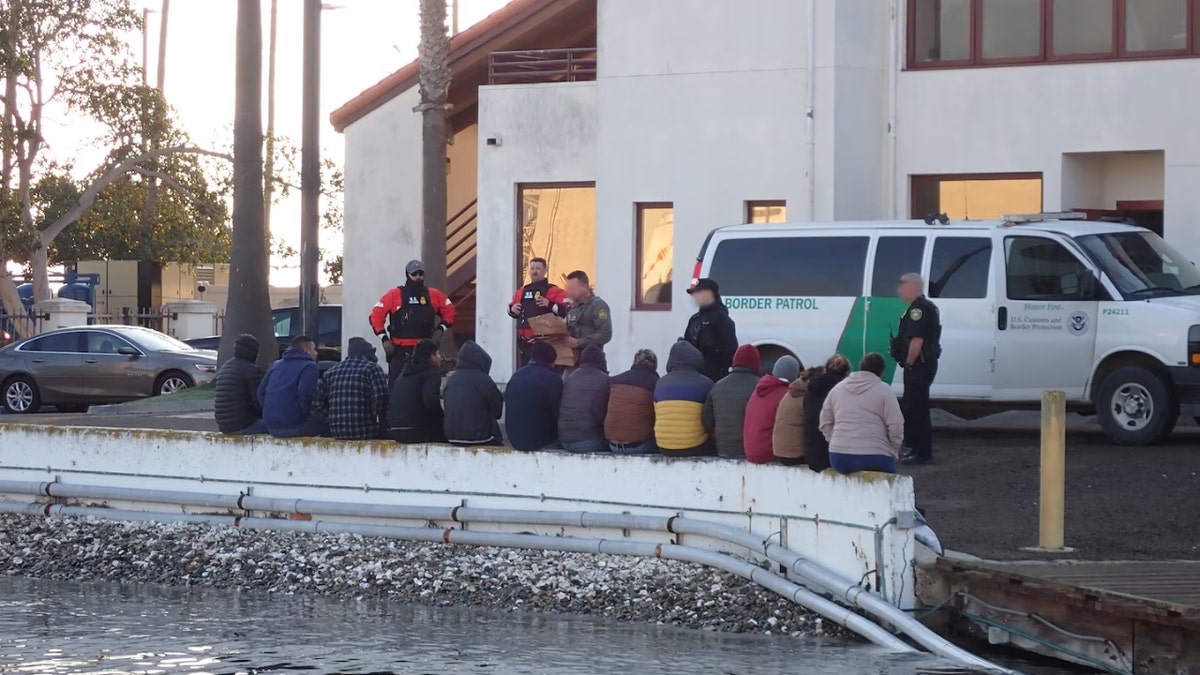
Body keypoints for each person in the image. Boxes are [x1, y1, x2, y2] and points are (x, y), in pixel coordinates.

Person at [370, 260, 457, 383]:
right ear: (407, 275)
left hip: (426, 351)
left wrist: (440, 329)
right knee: (396, 388)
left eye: (420, 274)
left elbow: (450, 311)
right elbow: (375, 315)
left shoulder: (433, 294)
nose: (418, 277)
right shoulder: (395, 294)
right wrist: (384, 338)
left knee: (427, 388)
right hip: (400, 350)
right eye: (414, 274)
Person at [819, 353, 904, 475]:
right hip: (875, 455)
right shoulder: (885, 391)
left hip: (839, 456)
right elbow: (896, 425)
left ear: (860, 366)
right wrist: (893, 449)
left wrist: (835, 440)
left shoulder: (837, 389)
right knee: (890, 485)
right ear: (882, 371)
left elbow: (824, 422)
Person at [892, 272, 941, 466]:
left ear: (911, 286)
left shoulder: (918, 309)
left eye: (901, 286)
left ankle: (921, 452)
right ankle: (917, 449)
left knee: (915, 408)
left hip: (919, 365)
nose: (899, 290)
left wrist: (909, 363)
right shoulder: (927, 306)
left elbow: (917, 340)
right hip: (925, 364)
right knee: (916, 407)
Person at [654, 340, 715, 457]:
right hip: (694, 447)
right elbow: (710, 418)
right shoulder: (706, 383)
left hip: (663, 447)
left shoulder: (660, 383)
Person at [257, 336, 325, 438]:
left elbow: (260, 392)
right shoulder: (309, 366)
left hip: (270, 426)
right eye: (314, 350)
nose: (316, 353)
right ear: (307, 350)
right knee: (326, 423)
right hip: (293, 426)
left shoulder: (275, 365)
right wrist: (305, 414)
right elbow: (305, 393)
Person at [701, 344, 760, 458]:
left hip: (722, 450)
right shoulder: (760, 387)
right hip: (748, 451)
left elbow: (707, 420)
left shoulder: (717, 386)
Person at [508, 257, 570, 366]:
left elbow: (568, 311)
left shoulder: (554, 291)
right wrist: (512, 310)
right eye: (532, 268)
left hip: (546, 344)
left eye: (538, 268)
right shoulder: (522, 291)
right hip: (525, 344)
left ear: (545, 270)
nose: (534, 271)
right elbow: (510, 307)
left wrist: (550, 305)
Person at [504, 340, 564, 451]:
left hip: (515, 440)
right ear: (551, 361)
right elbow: (559, 413)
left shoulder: (516, 376)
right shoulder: (552, 379)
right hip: (541, 441)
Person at [443, 340, 504, 447]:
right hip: (481, 438)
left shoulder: (451, 380)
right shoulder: (484, 380)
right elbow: (497, 412)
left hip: (452, 437)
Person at [744, 356, 801, 464]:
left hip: (749, 451)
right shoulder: (785, 395)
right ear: (795, 375)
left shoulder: (757, 390)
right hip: (768, 453)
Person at [387, 339, 445, 443]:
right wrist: (442, 417)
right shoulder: (432, 372)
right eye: (438, 353)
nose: (440, 357)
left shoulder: (403, 375)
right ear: (432, 357)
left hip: (395, 431)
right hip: (417, 431)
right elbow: (431, 401)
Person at [801, 355, 851, 472]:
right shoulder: (844, 392)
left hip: (812, 454)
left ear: (826, 369)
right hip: (834, 455)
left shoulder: (811, 389)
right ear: (846, 372)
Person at [605, 348, 659, 455]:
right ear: (655, 365)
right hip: (638, 447)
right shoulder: (656, 384)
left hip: (612, 445)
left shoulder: (613, 381)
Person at [557, 346, 610, 453]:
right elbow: (601, 414)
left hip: (564, 441)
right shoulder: (604, 380)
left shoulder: (570, 378)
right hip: (589, 441)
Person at [684, 278, 737, 383]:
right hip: (694, 376)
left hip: (714, 378)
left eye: (698, 292)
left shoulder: (722, 319)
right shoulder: (695, 319)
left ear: (710, 293)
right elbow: (687, 345)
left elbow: (730, 351)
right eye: (693, 293)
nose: (695, 296)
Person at [214, 333, 263, 434]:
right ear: (252, 352)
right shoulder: (250, 370)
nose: (258, 355)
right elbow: (259, 402)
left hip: (224, 426)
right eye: (257, 352)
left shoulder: (226, 366)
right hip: (244, 425)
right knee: (278, 427)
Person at [564, 270, 612, 365]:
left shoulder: (598, 306)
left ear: (585, 287)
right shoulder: (572, 308)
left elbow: (605, 334)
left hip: (592, 362)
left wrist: (579, 342)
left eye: (572, 289)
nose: (568, 293)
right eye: (567, 289)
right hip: (571, 360)